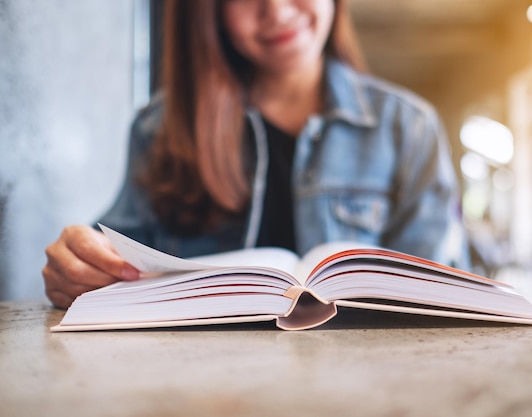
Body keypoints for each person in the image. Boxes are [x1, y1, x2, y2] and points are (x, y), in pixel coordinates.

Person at [42, 0, 469, 309]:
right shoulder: (159, 129)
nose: (277, 11)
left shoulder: (409, 127)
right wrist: (80, 264)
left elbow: (432, 290)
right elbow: (116, 258)